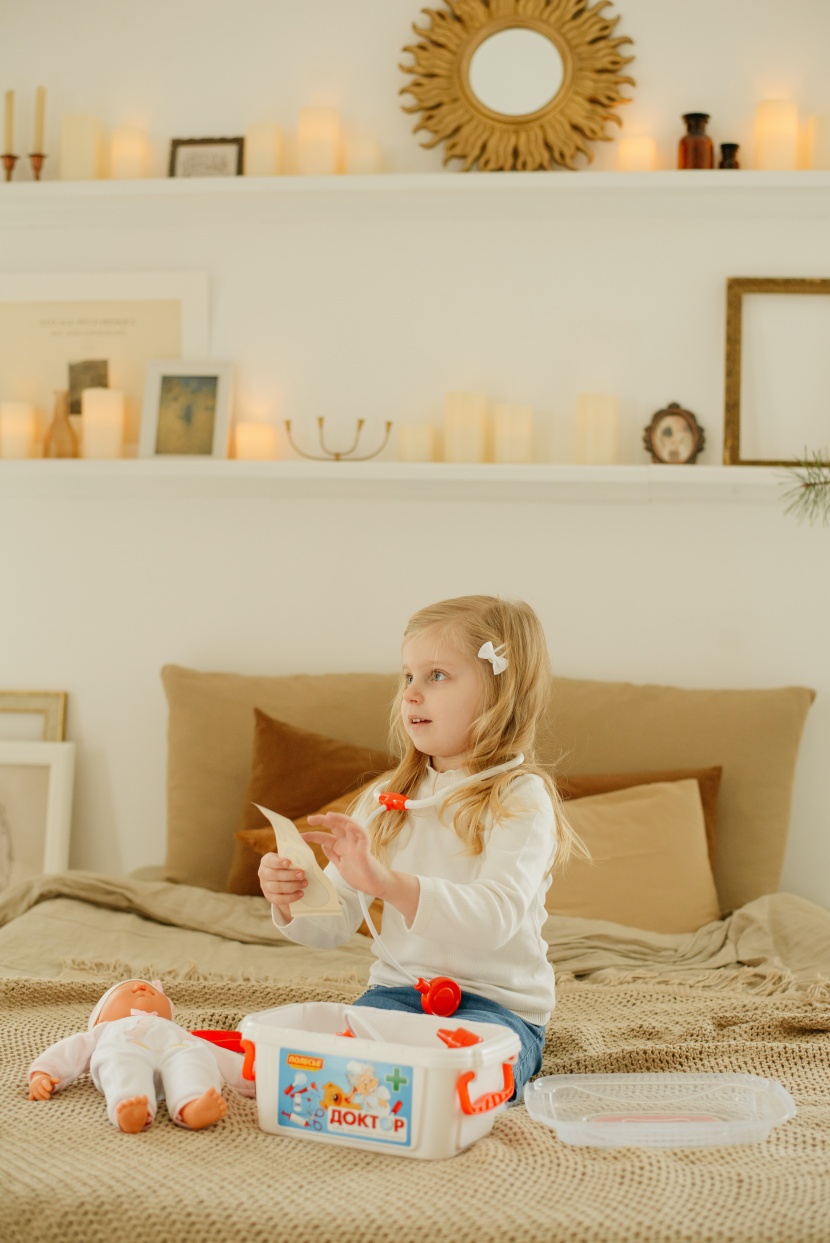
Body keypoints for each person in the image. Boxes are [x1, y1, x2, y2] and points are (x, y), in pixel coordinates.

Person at [259, 594, 584, 1102]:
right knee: (342, 1057)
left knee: (461, 1068)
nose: (411, 695)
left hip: (496, 1010)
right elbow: (332, 925)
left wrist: (387, 884)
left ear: (500, 692)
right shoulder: (386, 798)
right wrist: (292, 896)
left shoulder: (521, 798)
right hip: (397, 996)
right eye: (407, 677)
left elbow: (494, 918)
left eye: (436, 676)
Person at [27, 978, 251, 1133]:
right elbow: (70, 1050)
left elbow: (219, 1057)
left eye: (149, 988)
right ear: (100, 1017)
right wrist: (44, 1073)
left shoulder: (179, 1032)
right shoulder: (104, 1031)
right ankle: (130, 1106)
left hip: (177, 1049)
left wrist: (258, 1076)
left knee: (195, 1059)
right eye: (128, 989)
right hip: (126, 1049)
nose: (141, 988)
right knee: (121, 1063)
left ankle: (192, 1104)